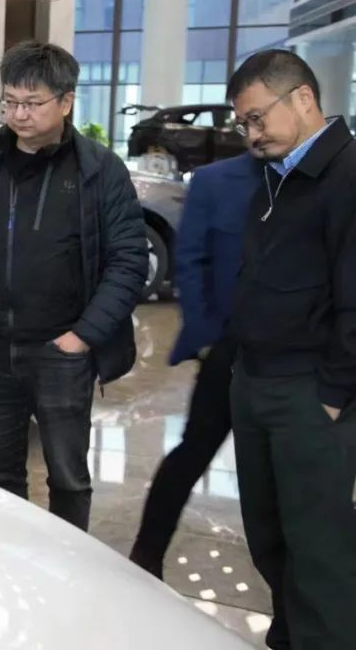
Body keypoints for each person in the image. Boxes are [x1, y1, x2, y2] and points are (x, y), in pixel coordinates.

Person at [0, 41, 147, 531]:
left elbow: (129, 261)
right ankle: (13, 561)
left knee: (68, 478)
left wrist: (82, 337)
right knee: (0, 476)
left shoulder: (99, 171)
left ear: (66, 102)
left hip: (60, 352)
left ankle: (68, 563)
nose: (19, 114)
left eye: (32, 103)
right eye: (10, 102)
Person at [226, 49, 356, 650]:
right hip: (256, 381)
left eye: (257, 118)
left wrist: (331, 394)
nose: (251, 134)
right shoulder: (276, 175)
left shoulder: (347, 175)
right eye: (243, 124)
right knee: (269, 537)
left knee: (320, 552)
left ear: (303, 98)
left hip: (310, 394)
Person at [129, 150, 259, 579]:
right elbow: (190, 261)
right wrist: (206, 338)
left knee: (280, 475)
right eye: (247, 120)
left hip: (296, 358)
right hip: (227, 349)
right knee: (193, 452)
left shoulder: (323, 178)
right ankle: (146, 557)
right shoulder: (215, 181)